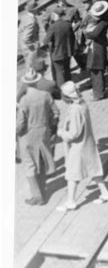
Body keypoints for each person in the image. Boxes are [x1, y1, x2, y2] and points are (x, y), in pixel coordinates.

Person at [56, 81, 108, 211]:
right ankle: (105, 193)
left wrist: (62, 133)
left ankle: (70, 201)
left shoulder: (75, 109)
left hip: (78, 147)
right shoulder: (82, 103)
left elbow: (74, 133)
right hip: (88, 143)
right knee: (93, 169)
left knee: (72, 174)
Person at [16, 68, 59, 205]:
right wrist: (50, 125)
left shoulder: (24, 100)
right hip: (44, 132)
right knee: (41, 161)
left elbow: (21, 123)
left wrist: (15, 133)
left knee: (30, 165)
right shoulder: (45, 95)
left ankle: (37, 196)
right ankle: (43, 188)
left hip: (28, 135)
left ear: (27, 83)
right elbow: (56, 113)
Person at [42, 6, 75, 88]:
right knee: (67, 71)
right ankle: (70, 89)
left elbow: (46, 41)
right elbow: (72, 38)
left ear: (55, 15)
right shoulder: (68, 24)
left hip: (57, 54)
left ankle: (63, 92)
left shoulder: (53, 27)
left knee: (59, 73)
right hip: (67, 52)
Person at [84, 0, 108, 101]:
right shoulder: (104, 18)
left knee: (97, 69)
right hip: (97, 45)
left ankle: (99, 93)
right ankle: (97, 90)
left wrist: (86, 33)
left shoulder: (103, 21)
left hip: (97, 46)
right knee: (94, 68)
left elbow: (95, 34)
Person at [19, 0, 40, 68]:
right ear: (33, 10)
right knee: (31, 66)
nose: (38, 9)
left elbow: (20, 30)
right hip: (29, 48)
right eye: (37, 8)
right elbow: (26, 39)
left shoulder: (25, 16)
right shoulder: (31, 22)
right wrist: (34, 46)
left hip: (24, 46)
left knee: (28, 63)